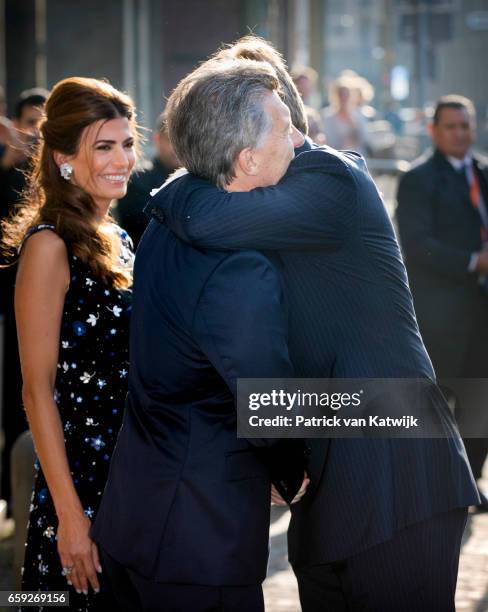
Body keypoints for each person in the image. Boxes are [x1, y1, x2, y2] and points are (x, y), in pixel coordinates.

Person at [148, 44, 479, 611]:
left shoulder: (333, 177)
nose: (294, 136)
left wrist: (173, 180)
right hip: (325, 482)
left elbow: (204, 217)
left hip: (396, 477)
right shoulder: (265, 185)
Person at [92, 60, 307, 612]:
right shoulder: (238, 265)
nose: (300, 137)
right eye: (285, 125)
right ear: (247, 158)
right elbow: (269, 401)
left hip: (137, 518)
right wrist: (291, 470)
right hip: (196, 542)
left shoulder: (171, 215)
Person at [1, 76, 137, 610]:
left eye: (127, 143)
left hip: (128, 480)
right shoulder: (48, 247)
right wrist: (69, 515)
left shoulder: (120, 239)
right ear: (62, 158)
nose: (121, 159)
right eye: (102, 147)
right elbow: (36, 392)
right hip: (76, 485)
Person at [397, 94, 488, 511]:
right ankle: (435, 484)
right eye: (451, 126)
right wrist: (473, 261)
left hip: (481, 310)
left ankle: (470, 481)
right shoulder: (418, 178)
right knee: (439, 400)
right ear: (434, 130)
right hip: (441, 311)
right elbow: (417, 246)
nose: (460, 133)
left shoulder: (484, 171)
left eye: (465, 125)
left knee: (480, 400)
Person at [0, 87, 48, 510]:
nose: (36, 135)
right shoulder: (7, 168)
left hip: (49, 306)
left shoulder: (58, 177)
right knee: (15, 398)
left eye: (44, 126)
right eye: (30, 125)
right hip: (8, 303)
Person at [115, 111, 179, 247]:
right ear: (157, 139)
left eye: (183, 140)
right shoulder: (138, 180)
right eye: (171, 139)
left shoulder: (202, 180)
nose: (177, 147)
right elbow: (146, 226)